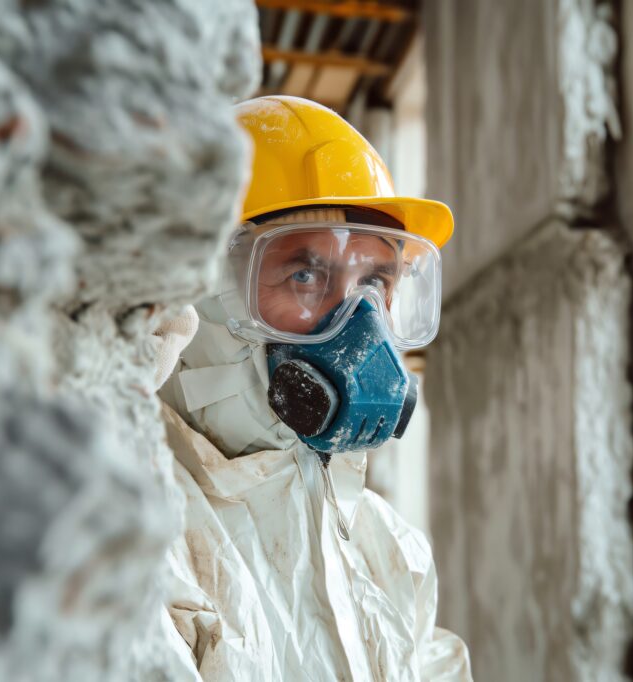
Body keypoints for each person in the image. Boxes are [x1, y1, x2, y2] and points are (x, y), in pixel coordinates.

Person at [155, 95, 471, 681]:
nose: (358, 321)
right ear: (193, 294)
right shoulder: (132, 541)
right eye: (305, 274)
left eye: (376, 280)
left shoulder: (389, 549)